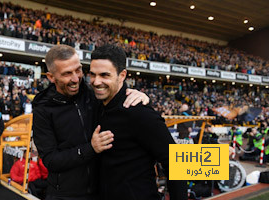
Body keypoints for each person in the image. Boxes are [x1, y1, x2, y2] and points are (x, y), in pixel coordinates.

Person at [32, 44, 149, 200]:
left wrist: (141, 97)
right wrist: (90, 148)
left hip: (103, 191)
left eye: (78, 70)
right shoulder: (43, 109)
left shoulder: (101, 97)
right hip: (65, 195)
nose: (76, 79)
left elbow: (175, 157)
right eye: (67, 73)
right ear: (51, 77)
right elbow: (51, 161)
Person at [89, 44, 187, 200]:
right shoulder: (96, 105)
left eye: (104, 75)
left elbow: (175, 161)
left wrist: (220, 158)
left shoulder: (140, 113)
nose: (95, 81)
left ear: (122, 75)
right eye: (92, 74)